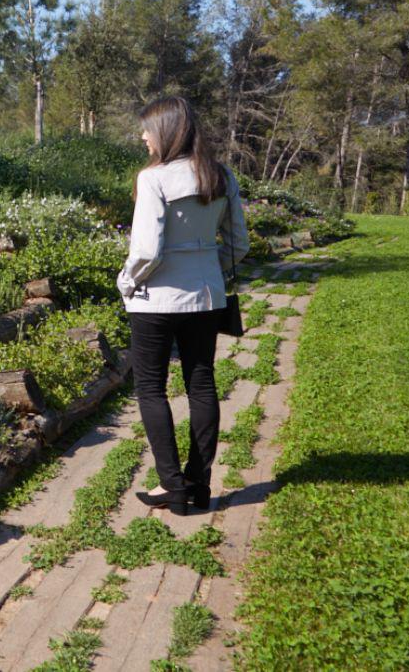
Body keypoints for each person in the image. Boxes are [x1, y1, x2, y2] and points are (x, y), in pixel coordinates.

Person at [118, 95, 249, 515]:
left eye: (146, 129)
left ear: (166, 131)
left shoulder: (153, 179)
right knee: (202, 383)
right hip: (206, 296)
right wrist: (213, 270)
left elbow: (147, 251)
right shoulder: (221, 176)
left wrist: (126, 282)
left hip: (155, 298)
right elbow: (239, 243)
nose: (142, 136)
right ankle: (199, 483)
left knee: (151, 388)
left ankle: (171, 485)